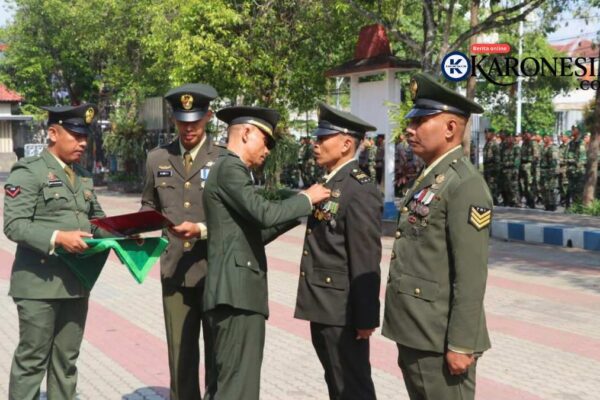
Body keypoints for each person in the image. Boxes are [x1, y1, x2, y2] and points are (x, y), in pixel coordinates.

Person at [202, 106, 330, 400]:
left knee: (227, 384)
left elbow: (254, 233)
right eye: (266, 141)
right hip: (236, 295)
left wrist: (297, 212)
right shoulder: (231, 168)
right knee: (238, 389)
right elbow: (263, 213)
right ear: (246, 133)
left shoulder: (228, 170)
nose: (268, 150)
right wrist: (305, 198)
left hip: (233, 294)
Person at [382, 72, 492, 400]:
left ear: (450, 128)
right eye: (411, 121)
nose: (409, 129)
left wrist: (461, 343)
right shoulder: (433, 177)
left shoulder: (464, 184)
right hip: (418, 330)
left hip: (440, 337)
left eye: (420, 121)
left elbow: (471, 275)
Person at [4, 104, 107, 400]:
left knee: (66, 362)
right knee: (32, 361)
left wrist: (127, 234)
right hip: (39, 284)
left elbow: (97, 221)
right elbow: (14, 225)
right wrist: (58, 238)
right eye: (75, 136)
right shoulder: (29, 171)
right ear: (53, 133)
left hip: (76, 283)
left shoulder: (82, 176)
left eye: (85, 136)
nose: (82, 143)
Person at [294, 103, 382, 400]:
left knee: (352, 387)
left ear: (346, 144)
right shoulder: (328, 181)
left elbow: (366, 257)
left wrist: (366, 317)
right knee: (336, 382)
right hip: (325, 305)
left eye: (323, 138)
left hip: (343, 312)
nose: (315, 144)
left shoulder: (359, 189)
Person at [140, 83, 220, 400]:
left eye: (195, 121)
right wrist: (136, 227)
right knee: (180, 357)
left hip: (214, 270)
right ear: (174, 119)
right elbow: (149, 204)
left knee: (217, 357)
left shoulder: (224, 158)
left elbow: (236, 216)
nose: (189, 128)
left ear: (208, 117)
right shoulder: (157, 158)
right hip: (174, 271)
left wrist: (202, 229)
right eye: (183, 122)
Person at [565, 125, 587, 207]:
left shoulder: (581, 143)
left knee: (578, 190)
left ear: (578, 131)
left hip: (579, 170)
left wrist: (572, 162)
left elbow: (581, 159)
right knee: (569, 189)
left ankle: (577, 207)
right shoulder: (571, 142)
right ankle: (569, 206)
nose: (572, 131)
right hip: (571, 170)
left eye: (573, 130)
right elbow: (569, 155)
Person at [539, 133, 560, 211]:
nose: (544, 139)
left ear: (550, 138)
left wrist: (553, 172)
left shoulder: (553, 148)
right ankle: (546, 204)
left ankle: (552, 205)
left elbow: (554, 161)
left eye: (546, 137)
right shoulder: (543, 147)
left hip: (550, 171)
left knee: (551, 189)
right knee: (544, 188)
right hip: (544, 170)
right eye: (544, 137)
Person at [482, 128, 500, 205]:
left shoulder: (494, 144)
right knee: (487, 185)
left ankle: (494, 201)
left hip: (492, 168)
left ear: (492, 134)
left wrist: (496, 170)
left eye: (487, 133)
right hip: (487, 168)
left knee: (492, 186)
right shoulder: (487, 144)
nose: (486, 135)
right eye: (485, 133)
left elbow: (497, 158)